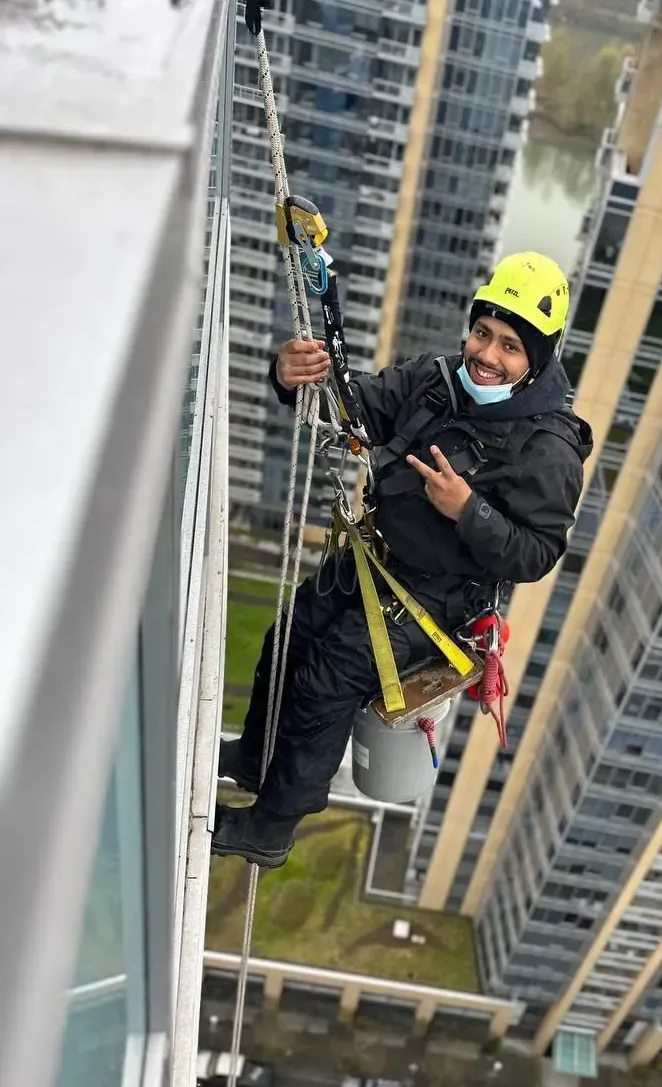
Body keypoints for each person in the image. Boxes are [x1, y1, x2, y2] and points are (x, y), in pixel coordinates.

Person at [213, 252, 593, 867]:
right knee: (291, 635)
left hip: (439, 600)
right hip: (378, 560)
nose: (488, 355)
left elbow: (537, 553)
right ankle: (256, 755)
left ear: (538, 360)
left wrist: (468, 509)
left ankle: (272, 828)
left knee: (328, 677)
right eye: (483, 333)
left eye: (511, 347)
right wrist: (290, 377)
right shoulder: (435, 381)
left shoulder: (548, 449)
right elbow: (357, 408)